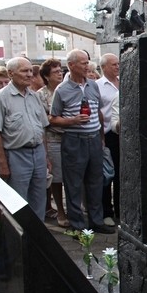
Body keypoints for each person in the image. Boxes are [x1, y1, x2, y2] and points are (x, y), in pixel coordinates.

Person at [49, 49, 115, 234]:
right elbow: (53, 118)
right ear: (71, 65)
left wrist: (101, 136)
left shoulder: (93, 86)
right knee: (74, 184)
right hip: (73, 141)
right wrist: (72, 121)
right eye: (84, 63)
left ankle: (96, 221)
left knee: (96, 181)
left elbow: (99, 113)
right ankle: (77, 226)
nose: (88, 66)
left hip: (94, 139)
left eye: (88, 62)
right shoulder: (61, 90)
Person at [0, 57, 50, 221]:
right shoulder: (0, 98)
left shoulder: (34, 96)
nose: (30, 74)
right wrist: (2, 164)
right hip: (16, 155)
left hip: (37, 153)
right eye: (25, 71)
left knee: (39, 198)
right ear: (10, 73)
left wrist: (45, 156)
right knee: (18, 201)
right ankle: (20, 241)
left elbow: (42, 128)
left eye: (30, 70)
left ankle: (37, 240)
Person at [38, 59, 69, 227]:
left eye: (60, 70)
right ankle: (61, 212)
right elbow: (45, 121)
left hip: (71, 138)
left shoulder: (67, 89)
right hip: (53, 139)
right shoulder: (41, 95)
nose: (60, 73)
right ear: (46, 76)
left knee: (73, 175)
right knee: (57, 177)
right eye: (55, 71)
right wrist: (69, 121)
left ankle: (73, 208)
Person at [97, 53, 120, 226]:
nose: (117, 66)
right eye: (113, 64)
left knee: (123, 173)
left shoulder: (125, 82)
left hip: (125, 133)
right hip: (106, 134)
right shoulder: (97, 86)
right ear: (104, 67)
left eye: (118, 63)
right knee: (107, 174)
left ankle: (122, 210)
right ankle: (106, 211)